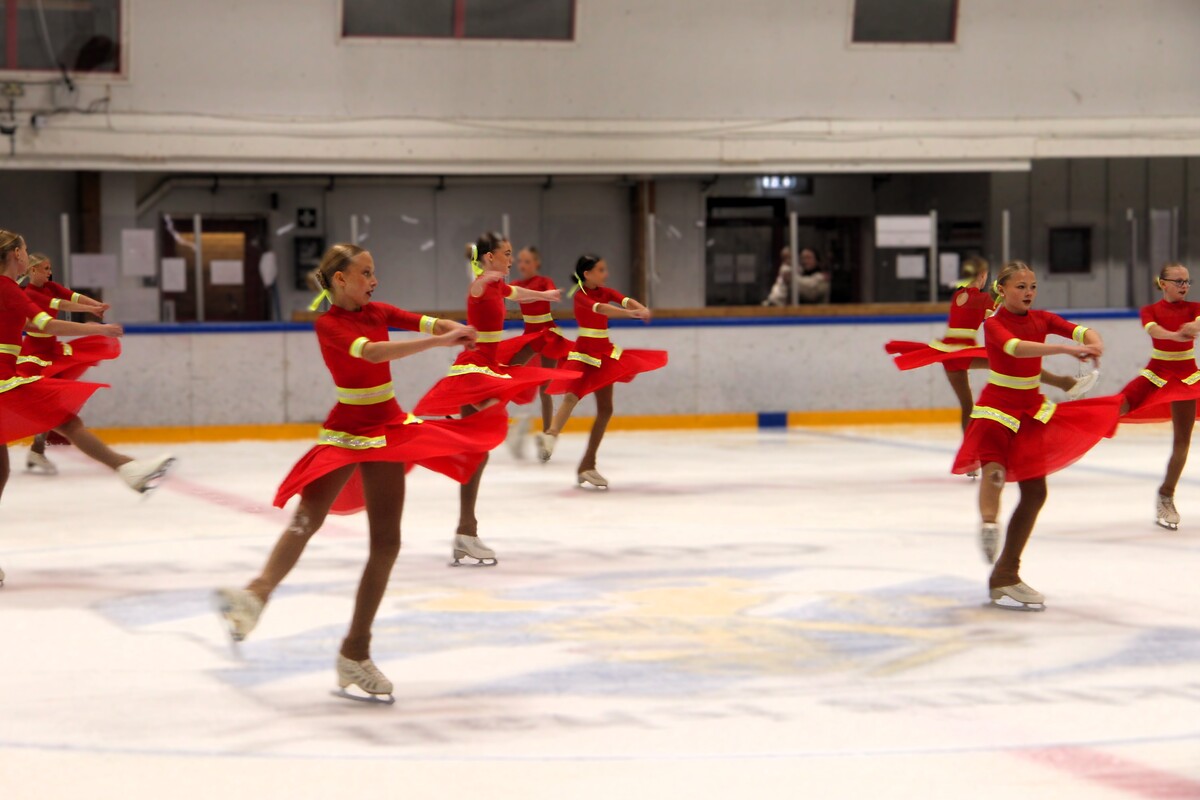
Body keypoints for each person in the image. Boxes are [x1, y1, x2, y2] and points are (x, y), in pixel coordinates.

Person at [215, 243, 508, 702]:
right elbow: (372, 354)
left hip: (388, 428)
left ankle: (355, 651)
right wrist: (438, 342)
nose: (374, 280)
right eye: (366, 273)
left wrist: (453, 328)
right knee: (306, 519)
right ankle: (257, 594)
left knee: (386, 543)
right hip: (347, 430)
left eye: (374, 272)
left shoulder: (378, 310)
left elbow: (424, 321)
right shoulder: (329, 324)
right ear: (341, 279)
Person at [951, 261, 1122, 610]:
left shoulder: (1042, 318)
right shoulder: (994, 323)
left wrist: (1094, 342)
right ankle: (989, 524)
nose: (1028, 292)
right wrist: (1065, 350)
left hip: (1031, 412)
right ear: (1002, 290)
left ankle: (1005, 574)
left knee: (1036, 493)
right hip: (997, 410)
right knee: (995, 471)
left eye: (1032, 286)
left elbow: (1078, 330)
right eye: (1021, 287)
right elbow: (1015, 347)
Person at [413, 232, 568, 565]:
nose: (511, 260)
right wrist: (486, 276)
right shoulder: (481, 286)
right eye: (506, 254)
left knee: (478, 453)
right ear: (489, 258)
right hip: (475, 370)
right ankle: (466, 524)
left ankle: (466, 530)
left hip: (490, 366)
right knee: (483, 437)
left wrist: (545, 295)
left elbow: (518, 293)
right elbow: (479, 288)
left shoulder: (498, 286)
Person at [0, 231, 171, 500]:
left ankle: (129, 469)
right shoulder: (8, 288)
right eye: (26, 249)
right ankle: (128, 468)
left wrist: (90, 313)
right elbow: (47, 324)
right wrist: (97, 330)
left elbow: (31, 323)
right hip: (4, 383)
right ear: (17, 254)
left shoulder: (7, 289)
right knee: (67, 421)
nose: (29, 256)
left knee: (1, 469)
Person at [886, 257, 1098, 433]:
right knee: (1014, 362)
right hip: (964, 353)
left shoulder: (959, 295)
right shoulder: (980, 299)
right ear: (981, 276)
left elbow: (983, 311)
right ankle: (1067, 383)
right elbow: (998, 307)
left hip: (947, 355)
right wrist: (1000, 291)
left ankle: (970, 454)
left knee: (967, 405)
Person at [536, 254, 668, 488]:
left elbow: (624, 300)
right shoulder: (580, 296)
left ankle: (588, 464)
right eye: (600, 270)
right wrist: (630, 314)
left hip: (604, 354)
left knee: (606, 409)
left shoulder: (605, 291)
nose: (605, 274)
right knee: (571, 397)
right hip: (584, 353)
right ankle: (551, 436)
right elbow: (603, 309)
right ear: (587, 274)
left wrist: (641, 308)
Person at [19, 252, 121, 475]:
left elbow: (72, 296)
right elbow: (60, 304)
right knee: (44, 404)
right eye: (45, 269)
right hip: (35, 355)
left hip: (53, 351)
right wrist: (91, 313)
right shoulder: (29, 294)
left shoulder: (50, 286)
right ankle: (36, 449)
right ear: (33, 270)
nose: (49, 272)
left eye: (50, 268)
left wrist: (96, 304)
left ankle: (37, 450)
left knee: (52, 403)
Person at [1117, 262, 1200, 530]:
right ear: (1163, 284)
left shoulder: (1194, 308)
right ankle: (1068, 437)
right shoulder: (1150, 310)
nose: (1184, 286)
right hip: (1157, 373)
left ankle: (1166, 495)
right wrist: (1175, 335)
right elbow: (1153, 330)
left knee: (1182, 442)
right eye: (1178, 281)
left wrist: (1194, 326)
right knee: (1114, 409)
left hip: (1187, 377)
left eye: (1187, 281)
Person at [498, 245, 574, 458]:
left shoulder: (543, 281)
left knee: (545, 389)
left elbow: (551, 295)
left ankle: (548, 436)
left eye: (527, 261)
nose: (522, 265)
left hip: (547, 335)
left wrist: (537, 295)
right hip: (531, 335)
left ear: (536, 263)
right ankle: (500, 422)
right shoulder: (517, 284)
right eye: (520, 261)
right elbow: (510, 295)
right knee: (509, 374)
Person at [763, 247, 828, 306]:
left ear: (817, 260)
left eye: (808, 258)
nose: (805, 261)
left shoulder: (822, 278)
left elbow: (811, 292)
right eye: (802, 258)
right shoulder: (797, 273)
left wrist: (791, 279)